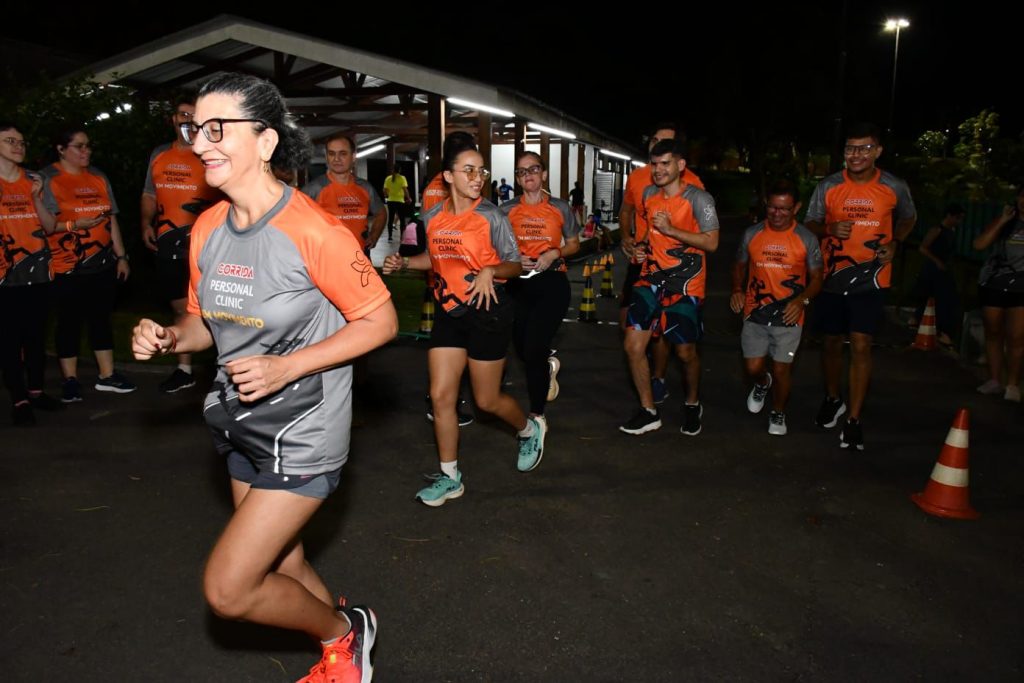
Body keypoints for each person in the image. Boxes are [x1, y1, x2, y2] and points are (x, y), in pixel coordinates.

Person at [131, 73, 397, 682]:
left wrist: (289, 365)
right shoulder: (207, 228)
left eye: (218, 128)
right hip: (238, 419)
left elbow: (381, 322)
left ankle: (345, 636)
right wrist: (172, 337)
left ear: (267, 141)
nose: (201, 143)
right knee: (283, 562)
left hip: (304, 429)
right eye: (196, 129)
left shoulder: (312, 230)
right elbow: (205, 322)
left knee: (229, 589)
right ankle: (341, 636)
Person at [383, 140, 545, 507]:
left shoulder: (491, 216)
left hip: (488, 311)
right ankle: (449, 476)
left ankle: (528, 428)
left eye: (481, 170)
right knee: (441, 396)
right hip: (448, 311)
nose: (477, 177)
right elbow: (437, 259)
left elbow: (516, 264)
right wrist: (405, 263)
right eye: (468, 170)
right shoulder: (433, 216)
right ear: (448, 176)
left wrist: (491, 269)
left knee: (486, 401)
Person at [805, 122, 916, 450]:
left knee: (862, 343)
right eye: (851, 148)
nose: (856, 154)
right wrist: (828, 228)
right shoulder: (829, 186)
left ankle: (853, 418)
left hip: (873, 276)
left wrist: (896, 242)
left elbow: (909, 218)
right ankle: (832, 397)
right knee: (831, 342)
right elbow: (809, 222)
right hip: (831, 276)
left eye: (864, 148)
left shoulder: (893, 186)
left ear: (877, 152)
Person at [620, 138, 719, 436]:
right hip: (650, 278)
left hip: (685, 285)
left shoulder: (700, 199)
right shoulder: (649, 194)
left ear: (680, 165)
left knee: (685, 352)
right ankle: (649, 410)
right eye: (654, 164)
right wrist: (639, 249)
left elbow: (712, 242)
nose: (658, 170)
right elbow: (650, 237)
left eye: (665, 164)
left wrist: (672, 230)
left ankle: (692, 403)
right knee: (633, 345)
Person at [40, 126, 135, 402]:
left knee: (100, 319)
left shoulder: (98, 177)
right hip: (67, 264)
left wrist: (121, 256)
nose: (86, 151)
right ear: (61, 149)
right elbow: (44, 225)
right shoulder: (48, 179)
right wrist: (74, 225)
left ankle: (107, 375)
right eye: (79, 146)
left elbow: (111, 219)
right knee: (68, 322)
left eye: (88, 146)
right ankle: (70, 379)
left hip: (102, 264)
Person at [141, 95, 222, 394]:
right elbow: (149, 194)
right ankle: (184, 369)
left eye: (193, 114)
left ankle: (223, 366)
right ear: (173, 120)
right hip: (167, 243)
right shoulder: (159, 155)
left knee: (216, 308)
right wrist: (145, 223)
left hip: (205, 243)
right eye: (181, 114)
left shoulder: (209, 152)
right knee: (181, 308)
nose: (187, 119)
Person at [730, 180, 823, 435]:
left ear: (797, 208)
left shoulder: (806, 238)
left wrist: (801, 302)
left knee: (782, 369)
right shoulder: (752, 234)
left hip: (789, 314)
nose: (778, 214)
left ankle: (778, 412)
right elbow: (739, 264)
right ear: (766, 205)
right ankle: (762, 383)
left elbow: (817, 279)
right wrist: (737, 289)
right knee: (753, 368)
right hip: (755, 312)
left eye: (784, 209)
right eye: (773, 208)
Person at [502, 151, 580, 432]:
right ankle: (547, 368)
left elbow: (574, 243)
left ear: (544, 174)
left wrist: (554, 252)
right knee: (522, 348)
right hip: (518, 283)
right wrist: (512, 260)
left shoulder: (560, 207)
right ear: (518, 179)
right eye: (522, 172)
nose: (528, 175)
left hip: (552, 282)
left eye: (533, 169)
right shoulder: (506, 209)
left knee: (534, 348)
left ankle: (537, 417)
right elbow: (493, 246)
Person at [0, 123, 62, 425]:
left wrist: (36, 197)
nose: (18, 146)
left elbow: (50, 227)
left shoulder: (35, 181)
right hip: (5, 277)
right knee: (10, 339)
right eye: (10, 141)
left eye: (21, 141)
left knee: (36, 335)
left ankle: (37, 391)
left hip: (39, 272)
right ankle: (19, 398)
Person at [973, 186, 1024, 402]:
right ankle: (994, 379)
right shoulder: (1006, 221)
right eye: (1022, 195)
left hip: (1021, 288)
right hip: (995, 284)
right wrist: (1003, 220)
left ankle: (1012, 384)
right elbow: (979, 244)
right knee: (993, 332)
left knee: (1017, 337)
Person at [301, 132, 387, 255]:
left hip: (360, 257)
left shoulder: (365, 187)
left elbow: (381, 213)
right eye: (331, 154)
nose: (336, 159)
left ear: (353, 156)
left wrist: (374, 236)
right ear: (327, 157)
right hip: (327, 259)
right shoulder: (314, 189)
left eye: (343, 154)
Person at [908, 203, 965, 348]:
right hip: (934, 270)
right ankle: (942, 332)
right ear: (949, 216)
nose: (959, 221)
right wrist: (936, 261)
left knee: (937, 297)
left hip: (943, 270)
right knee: (942, 299)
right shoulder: (937, 230)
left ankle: (920, 320)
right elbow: (923, 247)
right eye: (957, 218)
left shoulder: (951, 231)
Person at [382, 165, 411, 240]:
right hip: (400, 201)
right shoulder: (402, 178)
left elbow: (384, 190)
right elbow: (405, 189)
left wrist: (387, 196)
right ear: (399, 170)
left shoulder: (388, 178)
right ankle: (402, 236)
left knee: (390, 219)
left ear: (392, 170)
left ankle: (390, 236)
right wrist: (408, 198)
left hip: (391, 201)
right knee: (402, 219)